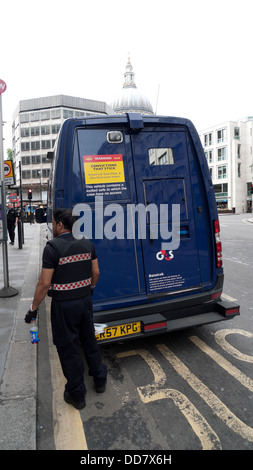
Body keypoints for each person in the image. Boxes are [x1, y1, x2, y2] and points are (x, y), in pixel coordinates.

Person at [24, 208, 107, 410]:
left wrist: (33, 308)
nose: (52, 227)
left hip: (63, 306)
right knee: (89, 340)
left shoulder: (52, 248)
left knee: (68, 348)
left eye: (53, 223)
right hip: (85, 301)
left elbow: (44, 284)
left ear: (60, 224)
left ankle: (77, 394)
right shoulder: (88, 243)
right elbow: (95, 272)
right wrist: (90, 289)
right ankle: (100, 380)